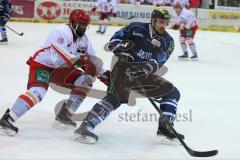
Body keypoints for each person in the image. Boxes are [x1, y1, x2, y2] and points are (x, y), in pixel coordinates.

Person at [74, 7, 184, 144]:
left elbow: (158, 62)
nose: (163, 25)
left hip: (142, 74)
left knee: (172, 93)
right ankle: (85, 127)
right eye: (160, 22)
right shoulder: (136, 28)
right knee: (115, 99)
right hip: (122, 70)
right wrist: (120, 47)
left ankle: (165, 129)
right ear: (153, 20)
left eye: (165, 22)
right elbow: (112, 43)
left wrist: (142, 70)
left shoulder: (168, 41)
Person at [0, 9, 109, 136]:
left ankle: (65, 114)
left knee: (85, 81)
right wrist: (82, 61)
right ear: (73, 23)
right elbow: (61, 56)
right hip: (43, 65)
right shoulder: (61, 31)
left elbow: (92, 60)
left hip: (61, 70)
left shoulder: (85, 40)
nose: (84, 28)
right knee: (38, 92)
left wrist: (104, 74)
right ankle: (8, 118)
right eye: (81, 25)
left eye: (86, 25)